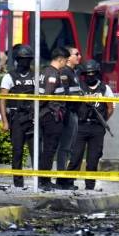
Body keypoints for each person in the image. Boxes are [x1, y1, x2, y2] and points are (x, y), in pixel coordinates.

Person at [66, 60, 115, 191]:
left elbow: (110, 108)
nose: (91, 76)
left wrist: (102, 121)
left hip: (97, 127)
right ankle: (68, 183)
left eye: (93, 73)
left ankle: (89, 186)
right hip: (81, 126)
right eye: (88, 73)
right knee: (75, 156)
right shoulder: (79, 87)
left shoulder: (105, 88)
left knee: (93, 159)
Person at [0, 44, 36, 188]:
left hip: (33, 118)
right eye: (22, 59)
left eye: (27, 59)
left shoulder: (35, 76)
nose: (25, 62)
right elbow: (3, 100)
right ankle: (18, 182)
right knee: (18, 150)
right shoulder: (9, 76)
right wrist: (5, 121)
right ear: (17, 60)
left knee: (36, 150)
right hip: (16, 118)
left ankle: (38, 181)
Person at [37, 47, 72, 190]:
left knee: (47, 148)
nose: (66, 64)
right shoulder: (53, 74)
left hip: (46, 114)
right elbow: (46, 95)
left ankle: (43, 179)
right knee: (50, 149)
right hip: (51, 116)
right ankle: (44, 180)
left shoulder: (43, 71)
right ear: (60, 59)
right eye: (65, 60)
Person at [56, 45, 83, 180]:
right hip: (68, 113)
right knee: (65, 147)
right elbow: (65, 93)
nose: (79, 57)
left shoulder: (74, 72)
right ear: (68, 58)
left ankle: (66, 178)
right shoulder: (65, 73)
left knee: (71, 147)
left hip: (75, 112)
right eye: (76, 54)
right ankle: (61, 177)